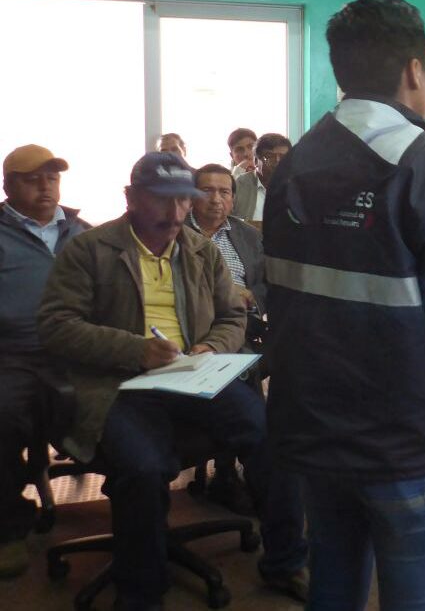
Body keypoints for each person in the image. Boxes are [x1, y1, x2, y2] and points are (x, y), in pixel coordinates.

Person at [262, 0, 425, 611]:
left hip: (313, 432)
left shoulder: (292, 166)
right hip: (407, 443)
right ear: (414, 70)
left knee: (333, 585)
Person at [37, 151, 308, 608]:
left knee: (274, 441)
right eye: (162, 199)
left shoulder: (199, 250)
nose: (177, 211)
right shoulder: (90, 250)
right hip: (120, 386)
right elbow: (57, 325)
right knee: (143, 467)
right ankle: (141, 593)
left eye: (183, 199)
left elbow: (231, 316)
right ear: (130, 198)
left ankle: (285, 561)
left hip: (193, 376)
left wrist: (211, 347)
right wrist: (135, 350)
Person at [0, 145, 90, 579]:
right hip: (17, 354)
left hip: (84, 352)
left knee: (134, 403)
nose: (45, 186)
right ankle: (9, 527)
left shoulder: (82, 232)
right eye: (32, 179)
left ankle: (138, 504)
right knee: (1, 417)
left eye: (52, 178)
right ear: (8, 186)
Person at [188, 162, 269, 515]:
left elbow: (267, 284)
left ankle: (255, 473)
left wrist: (251, 296)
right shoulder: (175, 232)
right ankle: (229, 472)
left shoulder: (247, 235)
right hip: (193, 329)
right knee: (237, 377)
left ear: (234, 198)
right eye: (207, 191)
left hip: (242, 325)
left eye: (224, 192)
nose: (216, 199)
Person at [233, 133, 291, 225]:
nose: (278, 162)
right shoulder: (238, 185)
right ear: (256, 161)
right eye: (270, 156)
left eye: (284, 157)